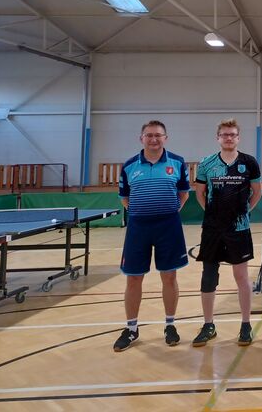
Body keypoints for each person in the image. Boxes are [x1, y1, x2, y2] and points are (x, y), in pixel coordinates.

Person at [113, 120, 190, 352]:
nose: (154, 139)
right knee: (133, 278)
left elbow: (183, 193)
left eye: (158, 135)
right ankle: (132, 328)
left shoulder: (177, 162)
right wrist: (140, 212)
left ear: (165, 138)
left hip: (169, 226)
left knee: (169, 277)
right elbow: (124, 197)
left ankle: (170, 325)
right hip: (139, 228)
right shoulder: (129, 166)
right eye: (149, 135)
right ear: (141, 138)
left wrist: (170, 211)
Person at [191, 119, 262, 347]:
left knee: (241, 277)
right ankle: (208, 325)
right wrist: (213, 214)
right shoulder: (206, 163)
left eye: (232, 134)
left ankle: (245, 324)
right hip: (212, 229)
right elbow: (200, 193)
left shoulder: (249, 162)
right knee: (209, 276)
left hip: (239, 229)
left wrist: (244, 212)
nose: (228, 138)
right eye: (224, 134)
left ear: (238, 137)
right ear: (218, 138)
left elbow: (257, 191)